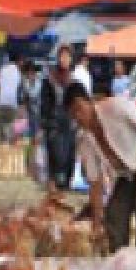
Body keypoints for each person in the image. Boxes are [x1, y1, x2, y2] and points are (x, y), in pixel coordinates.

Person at [64, 81, 136, 252]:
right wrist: (96, 220)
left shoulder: (115, 106)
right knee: (115, 215)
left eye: (80, 108)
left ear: (89, 102)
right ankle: (120, 261)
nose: (79, 116)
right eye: (73, 114)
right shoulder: (85, 140)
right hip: (126, 173)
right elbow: (95, 182)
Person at [40, 46, 78, 191]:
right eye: (62, 56)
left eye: (68, 57)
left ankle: (66, 184)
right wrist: (44, 121)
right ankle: (53, 181)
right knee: (55, 152)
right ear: (58, 58)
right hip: (53, 119)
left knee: (69, 153)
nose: (65, 59)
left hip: (69, 120)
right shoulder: (50, 77)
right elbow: (44, 101)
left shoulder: (73, 78)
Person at [0, 51, 22, 142]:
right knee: (12, 130)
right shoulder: (18, 72)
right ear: (18, 61)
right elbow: (18, 89)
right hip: (13, 104)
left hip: (1, 103)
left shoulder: (3, 69)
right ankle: (9, 149)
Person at [20, 60, 42, 140]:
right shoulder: (24, 83)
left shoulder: (40, 83)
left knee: (38, 136)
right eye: (28, 73)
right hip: (29, 113)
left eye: (32, 72)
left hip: (39, 113)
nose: (30, 75)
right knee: (28, 136)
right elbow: (23, 99)